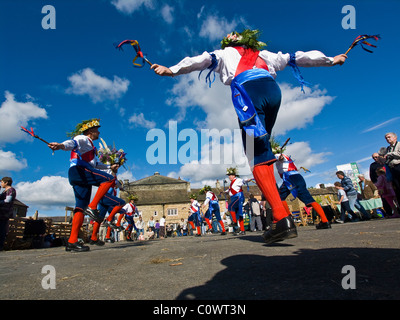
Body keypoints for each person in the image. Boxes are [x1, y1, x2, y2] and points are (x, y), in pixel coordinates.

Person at [151, 29, 347, 244]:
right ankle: (280, 218)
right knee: (263, 149)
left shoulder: (224, 53)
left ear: (231, 41)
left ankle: (282, 219)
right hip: (273, 92)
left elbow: (199, 60)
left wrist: (171, 70)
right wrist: (331, 60)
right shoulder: (265, 54)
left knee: (256, 155)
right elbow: (296, 57)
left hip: (248, 92)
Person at [48, 119, 122, 252]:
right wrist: (60, 146)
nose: (99, 132)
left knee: (80, 208)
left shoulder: (91, 147)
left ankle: (72, 241)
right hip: (80, 170)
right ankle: (93, 207)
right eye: (97, 130)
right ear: (90, 131)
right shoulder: (83, 138)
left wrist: (110, 166)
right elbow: (73, 143)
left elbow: (96, 164)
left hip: (78, 174)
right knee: (109, 179)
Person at [275, 152, 331, 229]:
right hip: (298, 177)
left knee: (280, 198)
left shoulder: (277, 155)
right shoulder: (287, 156)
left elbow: (279, 157)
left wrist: (278, 157)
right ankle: (325, 221)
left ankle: (289, 220)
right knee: (310, 200)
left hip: (290, 178)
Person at [225, 167, 251, 235]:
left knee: (230, 207)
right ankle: (242, 230)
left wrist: (247, 180)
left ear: (234, 175)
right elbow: (231, 189)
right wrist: (226, 191)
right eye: (229, 175)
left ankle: (234, 222)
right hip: (234, 197)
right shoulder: (232, 183)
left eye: (230, 175)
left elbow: (243, 181)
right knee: (239, 214)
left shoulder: (237, 180)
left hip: (238, 197)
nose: (229, 177)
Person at [0, 177, 16, 251]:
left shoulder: (11, 190)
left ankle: (0, 246)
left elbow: (7, 200)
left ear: (6, 182)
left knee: (2, 229)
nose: (1, 184)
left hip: (4, 213)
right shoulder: (4, 191)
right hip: (1, 212)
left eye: (2, 182)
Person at [384, 132, 400, 204]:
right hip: (392, 169)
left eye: (389, 137)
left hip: (398, 166)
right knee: (397, 188)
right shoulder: (388, 148)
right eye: (386, 138)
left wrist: (390, 153)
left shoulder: (399, 144)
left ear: (395, 137)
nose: (388, 139)